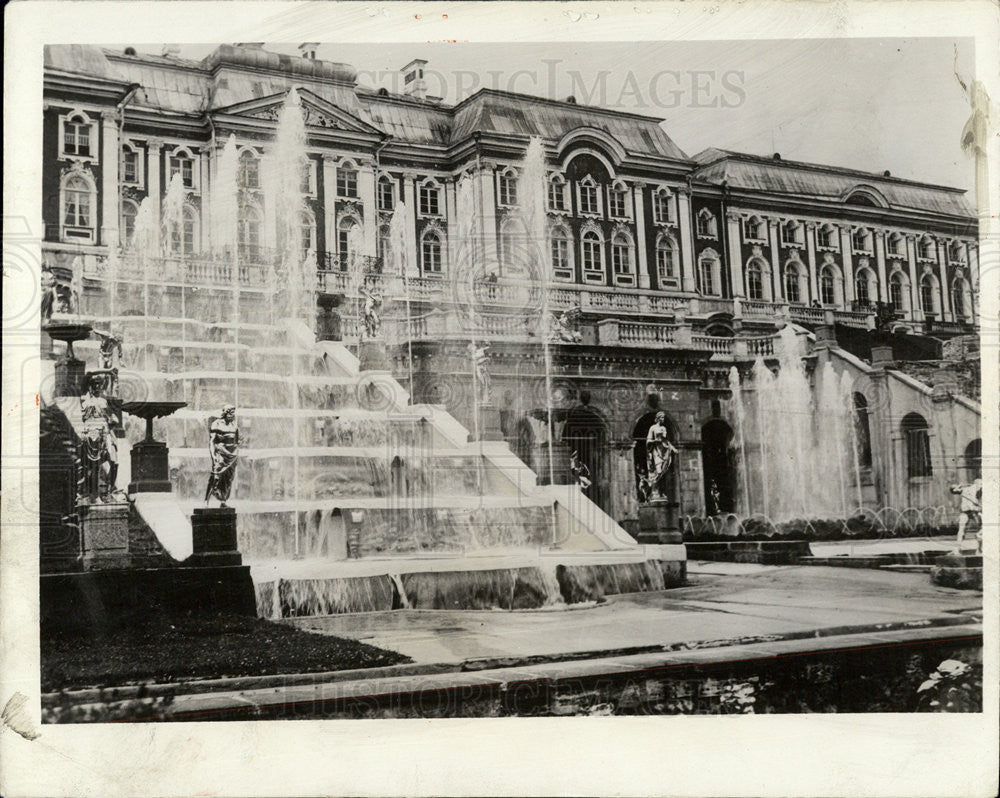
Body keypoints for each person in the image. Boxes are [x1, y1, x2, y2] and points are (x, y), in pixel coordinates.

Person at [79, 372, 120, 503]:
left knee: (114, 461)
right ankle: (95, 495)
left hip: (105, 432)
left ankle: (110, 489)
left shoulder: (103, 401)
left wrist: (113, 420)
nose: (97, 386)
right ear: (90, 386)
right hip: (92, 433)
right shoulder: (85, 399)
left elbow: (112, 418)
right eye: (95, 384)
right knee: (94, 467)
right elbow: (87, 376)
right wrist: (107, 371)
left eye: (99, 384)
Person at [205, 405, 239, 507]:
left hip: (232, 456)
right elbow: (212, 442)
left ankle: (223, 501)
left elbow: (236, 441)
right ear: (225, 413)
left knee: (228, 479)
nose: (232, 415)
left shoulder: (234, 425)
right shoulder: (216, 424)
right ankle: (206, 500)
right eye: (230, 413)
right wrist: (213, 456)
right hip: (220, 453)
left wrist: (236, 452)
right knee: (215, 477)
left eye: (233, 413)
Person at [645, 411, 678, 501]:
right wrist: (655, 441)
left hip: (664, 450)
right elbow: (648, 441)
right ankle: (654, 491)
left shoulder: (664, 428)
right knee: (658, 471)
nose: (663, 419)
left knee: (664, 472)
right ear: (658, 418)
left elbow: (666, 440)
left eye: (663, 418)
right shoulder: (653, 428)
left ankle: (661, 492)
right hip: (656, 451)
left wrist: (673, 448)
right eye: (661, 418)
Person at [951, 478, 982, 550]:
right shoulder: (967, 489)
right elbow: (955, 490)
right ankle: (957, 548)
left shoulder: (968, 488)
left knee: (981, 528)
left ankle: (980, 547)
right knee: (962, 530)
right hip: (967, 511)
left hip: (973, 511)